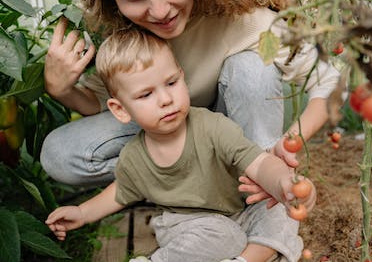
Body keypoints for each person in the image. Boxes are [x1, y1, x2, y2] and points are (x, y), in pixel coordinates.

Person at [41, 0, 341, 260]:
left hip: (233, 138)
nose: (159, 10)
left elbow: (329, 82)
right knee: (59, 153)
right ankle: (177, 190)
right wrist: (61, 90)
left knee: (252, 69)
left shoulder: (243, 16)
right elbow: (103, 103)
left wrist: (290, 142)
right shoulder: (113, 29)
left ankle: (254, 187)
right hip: (164, 132)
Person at [45, 29, 316, 262]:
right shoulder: (136, 154)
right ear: (120, 110)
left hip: (236, 211)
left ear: (182, 77)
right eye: (146, 94)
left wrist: (283, 182)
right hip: (185, 223)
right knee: (225, 235)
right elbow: (120, 193)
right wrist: (82, 212)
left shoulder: (212, 127)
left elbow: (258, 162)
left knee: (280, 214)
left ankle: (242, 260)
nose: (165, 99)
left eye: (172, 83)